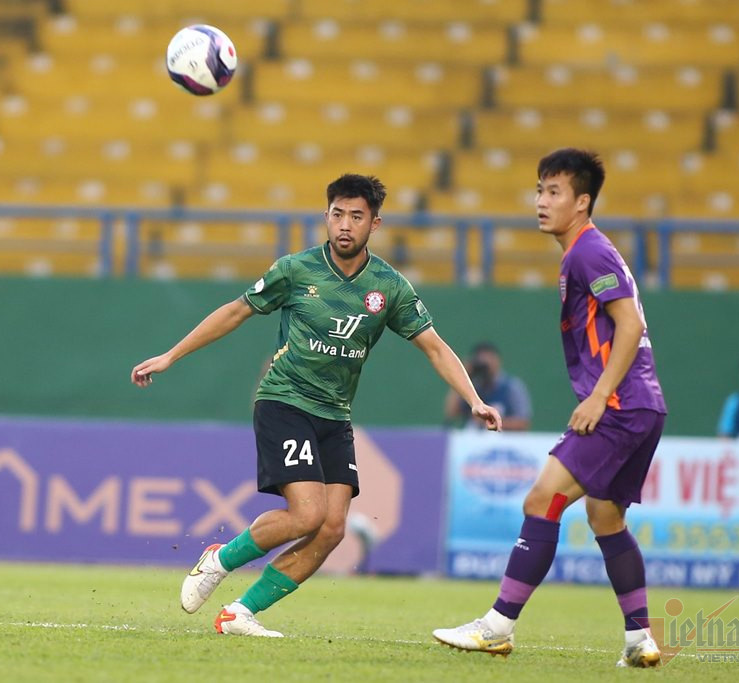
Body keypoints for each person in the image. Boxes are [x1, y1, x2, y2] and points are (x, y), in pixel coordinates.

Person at [131, 174, 501, 638]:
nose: (345, 225)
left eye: (357, 217)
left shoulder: (389, 286)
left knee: (331, 530)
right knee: (306, 514)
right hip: (284, 401)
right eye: (337, 214)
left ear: (375, 224)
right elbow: (235, 310)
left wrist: (474, 400)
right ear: (326, 216)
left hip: (336, 415)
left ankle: (239, 613)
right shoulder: (296, 269)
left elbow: (434, 347)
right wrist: (171, 355)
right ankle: (220, 558)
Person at [432, 149, 668, 668]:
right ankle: (639, 640)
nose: (541, 201)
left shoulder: (589, 253)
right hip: (645, 406)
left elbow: (629, 326)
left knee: (542, 500)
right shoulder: (583, 253)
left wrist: (600, 395)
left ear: (582, 202)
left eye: (554, 192)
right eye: (539, 190)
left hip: (622, 405)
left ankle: (496, 626)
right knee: (605, 517)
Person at [444, 342, 532, 430]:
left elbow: (523, 422)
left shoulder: (511, 387)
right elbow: (451, 412)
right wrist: (462, 376)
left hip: (503, 439)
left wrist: (488, 421)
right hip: (474, 438)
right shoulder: (473, 387)